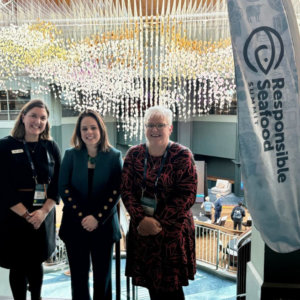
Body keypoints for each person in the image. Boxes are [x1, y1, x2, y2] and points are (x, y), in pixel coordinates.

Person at [121, 106, 198, 300]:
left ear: (170, 128)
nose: (154, 130)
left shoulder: (182, 155)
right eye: (150, 125)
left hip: (171, 232)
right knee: (152, 287)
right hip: (142, 231)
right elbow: (126, 190)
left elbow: (187, 195)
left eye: (160, 125)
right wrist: (141, 219)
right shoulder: (133, 154)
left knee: (171, 289)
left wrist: (157, 222)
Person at [0, 99, 61, 300]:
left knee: (36, 262)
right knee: (18, 264)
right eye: (33, 115)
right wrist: (26, 215)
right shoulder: (5, 145)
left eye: (43, 117)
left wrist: (43, 212)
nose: (38, 121)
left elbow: (57, 184)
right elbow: (3, 185)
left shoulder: (51, 147)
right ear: (23, 117)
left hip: (43, 214)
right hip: (14, 214)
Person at [58, 109, 122, 300]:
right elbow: (64, 188)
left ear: (101, 129)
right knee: (78, 278)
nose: (89, 132)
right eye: (84, 128)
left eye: (93, 127)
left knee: (103, 279)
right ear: (78, 131)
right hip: (75, 226)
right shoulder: (70, 155)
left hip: (103, 226)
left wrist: (97, 218)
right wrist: (83, 218)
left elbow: (115, 191)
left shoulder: (114, 155)